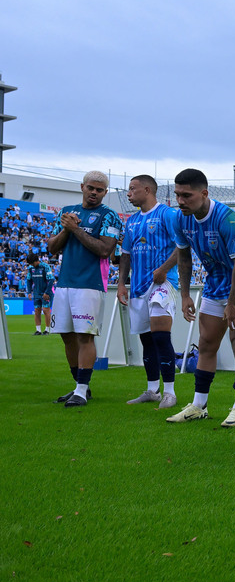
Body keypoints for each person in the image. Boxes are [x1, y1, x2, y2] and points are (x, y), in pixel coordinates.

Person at [167, 168, 235, 428]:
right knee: (206, 344)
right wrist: (185, 295)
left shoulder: (227, 218)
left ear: (204, 193)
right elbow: (183, 257)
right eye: (177, 195)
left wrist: (232, 304)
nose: (181, 201)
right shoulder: (179, 219)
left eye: (187, 195)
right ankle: (199, 405)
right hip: (213, 285)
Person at [46, 170, 123, 407]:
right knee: (67, 337)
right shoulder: (67, 213)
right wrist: (67, 229)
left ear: (105, 193)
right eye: (91, 188)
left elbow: (103, 249)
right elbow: (52, 248)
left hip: (90, 284)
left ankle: (80, 389)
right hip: (65, 283)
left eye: (99, 190)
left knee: (84, 336)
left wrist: (76, 230)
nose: (94, 193)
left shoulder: (109, 216)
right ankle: (81, 387)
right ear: (82, 187)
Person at [117, 174, 180, 410]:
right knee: (146, 339)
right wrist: (122, 283)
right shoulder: (131, 221)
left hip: (163, 283)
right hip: (138, 286)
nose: (128, 193)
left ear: (147, 190)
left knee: (161, 336)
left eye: (132, 188)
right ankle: (152, 389)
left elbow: (182, 246)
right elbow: (126, 254)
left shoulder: (167, 214)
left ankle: (170, 393)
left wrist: (163, 270)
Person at [25, 252, 54, 335]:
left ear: (36, 261)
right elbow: (29, 280)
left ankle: (47, 330)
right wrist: (29, 292)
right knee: (37, 310)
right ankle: (38, 330)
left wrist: (47, 292)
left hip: (46, 293)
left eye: (32, 263)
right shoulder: (31, 268)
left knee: (45, 310)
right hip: (36, 293)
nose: (31, 265)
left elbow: (51, 280)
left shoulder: (45, 266)